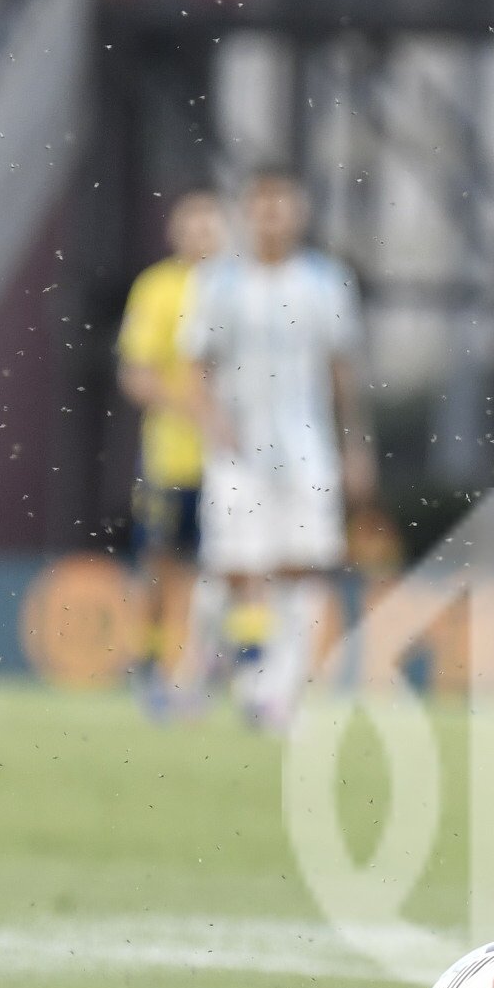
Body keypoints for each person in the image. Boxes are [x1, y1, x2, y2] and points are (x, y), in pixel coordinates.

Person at [180, 171, 373, 732]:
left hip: (307, 449)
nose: (273, 216)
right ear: (247, 212)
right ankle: (204, 669)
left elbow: (342, 371)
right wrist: (214, 425)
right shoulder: (217, 283)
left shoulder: (326, 282)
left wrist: (356, 445)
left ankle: (278, 693)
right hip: (238, 451)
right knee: (231, 568)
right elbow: (195, 364)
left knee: (303, 569)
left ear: (300, 212)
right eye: (262, 206)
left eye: (282, 206)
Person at [113, 190, 224, 717]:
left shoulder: (241, 288)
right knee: (159, 565)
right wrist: (194, 407)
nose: (202, 235)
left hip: (232, 463)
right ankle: (148, 666)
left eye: (211, 225)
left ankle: (205, 673)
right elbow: (137, 374)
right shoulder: (157, 288)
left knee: (226, 569)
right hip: (171, 457)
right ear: (174, 232)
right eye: (192, 225)